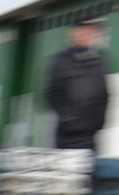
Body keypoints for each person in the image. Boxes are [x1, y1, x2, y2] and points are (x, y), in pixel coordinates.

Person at [43, 19, 110, 152]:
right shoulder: (62, 60)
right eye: (82, 32)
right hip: (68, 132)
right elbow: (52, 92)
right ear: (73, 34)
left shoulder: (100, 60)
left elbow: (104, 93)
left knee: (88, 162)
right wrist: (67, 117)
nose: (86, 36)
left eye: (89, 32)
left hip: (91, 132)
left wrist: (100, 121)